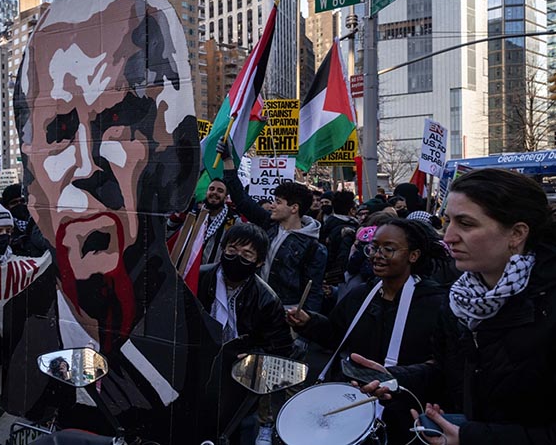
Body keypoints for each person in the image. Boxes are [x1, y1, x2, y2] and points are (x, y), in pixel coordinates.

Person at [3, 0, 222, 443]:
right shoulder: (8, 331)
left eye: (119, 121)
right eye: (58, 130)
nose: (85, 165)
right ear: (31, 187)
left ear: (179, 164)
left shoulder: (212, 359)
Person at [356, 168, 556, 445]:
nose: (448, 237)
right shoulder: (459, 300)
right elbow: (453, 371)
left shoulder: (547, 305)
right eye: (448, 221)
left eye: (466, 224)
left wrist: (471, 437)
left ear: (517, 233)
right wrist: (395, 378)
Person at [287, 218, 449, 444]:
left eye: (388, 249)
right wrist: (309, 322)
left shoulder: (435, 304)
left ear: (413, 255)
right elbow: (336, 335)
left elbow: (443, 364)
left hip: (406, 412)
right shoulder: (361, 294)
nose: (376, 255)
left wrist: (399, 377)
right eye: (374, 247)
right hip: (355, 403)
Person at [197, 224, 293, 445]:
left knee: (237, 431)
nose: (237, 258)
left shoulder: (266, 300)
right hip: (197, 371)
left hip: (239, 379)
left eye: (247, 254)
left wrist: (253, 357)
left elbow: (280, 349)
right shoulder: (199, 279)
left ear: (259, 262)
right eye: (232, 250)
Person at [218, 145, 327, 312]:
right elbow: (241, 199)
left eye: (278, 202)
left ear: (294, 208)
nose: (273, 206)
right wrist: (227, 160)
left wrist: (306, 324)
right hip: (254, 304)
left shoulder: (313, 248)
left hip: (285, 313)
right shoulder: (267, 224)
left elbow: (313, 291)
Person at [167, 177, 240, 290]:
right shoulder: (192, 214)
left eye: (220, 191)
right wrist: (178, 216)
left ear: (226, 198)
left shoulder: (233, 221)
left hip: (213, 279)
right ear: (206, 193)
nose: (214, 192)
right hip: (185, 272)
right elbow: (169, 233)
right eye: (212, 189)